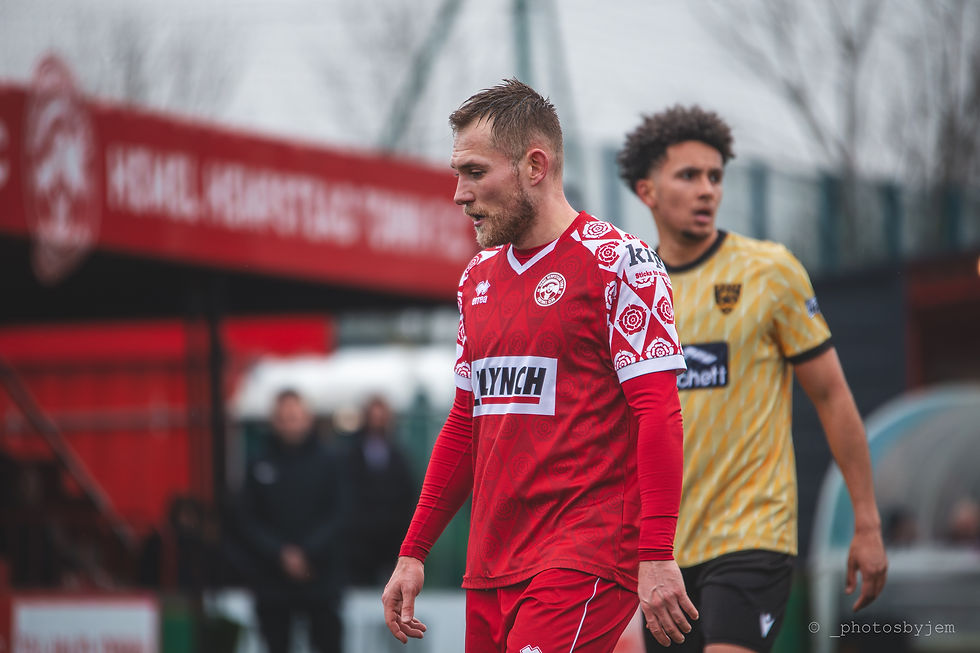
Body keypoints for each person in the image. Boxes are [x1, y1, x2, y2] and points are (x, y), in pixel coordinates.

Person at [381, 78, 697, 652]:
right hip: (491, 562)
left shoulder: (619, 262)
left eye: (474, 172)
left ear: (535, 165)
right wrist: (413, 551)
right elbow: (463, 426)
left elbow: (659, 413)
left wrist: (655, 554)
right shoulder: (476, 279)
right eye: (458, 173)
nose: (458, 193)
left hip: (585, 554)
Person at [617, 105, 888, 652]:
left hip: (752, 531)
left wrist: (867, 521)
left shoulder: (769, 272)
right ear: (647, 191)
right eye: (688, 176)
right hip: (660, 549)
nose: (707, 191)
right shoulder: (626, 285)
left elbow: (832, 395)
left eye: (715, 176)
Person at [234, 388, 349, 653]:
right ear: (274, 421)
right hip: (272, 581)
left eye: (295, 416)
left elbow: (340, 513)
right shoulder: (258, 463)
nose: (289, 423)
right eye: (283, 417)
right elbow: (246, 519)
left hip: (321, 578)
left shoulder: (330, 462)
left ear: (308, 418)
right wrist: (280, 554)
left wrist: (308, 552)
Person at [345, 395, 417, 586]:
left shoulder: (398, 455)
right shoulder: (351, 453)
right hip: (358, 542)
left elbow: (407, 495)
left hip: (391, 540)